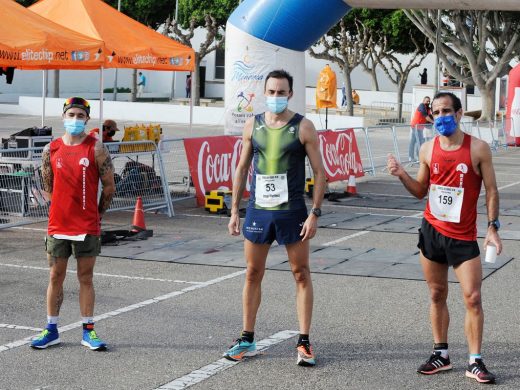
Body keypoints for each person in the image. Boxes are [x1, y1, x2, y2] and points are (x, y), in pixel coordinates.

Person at [387, 92, 501, 384]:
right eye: (436, 112)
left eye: (447, 111)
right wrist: (402, 174)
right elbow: (420, 191)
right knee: (437, 294)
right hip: (432, 232)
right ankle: (441, 354)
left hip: (463, 238)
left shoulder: (478, 149)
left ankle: (475, 361)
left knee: (473, 298)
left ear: (459, 113)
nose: (441, 117)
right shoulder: (427, 149)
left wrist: (492, 227)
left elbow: (491, 190)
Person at [223, 69, 326, 367]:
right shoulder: (252, 125)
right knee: (252, 273)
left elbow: (320, 173)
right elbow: (242, 169)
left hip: (292, 211)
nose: (276, 97)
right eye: (272, 92)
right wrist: (233, 210)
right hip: (258, 211)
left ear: (290, 93)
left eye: (282, 92)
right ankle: (248, 338)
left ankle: (304, 342)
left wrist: (315, 213)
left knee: (301, 274)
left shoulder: (303, 127)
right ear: (264, 93)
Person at [30, 97, 116, 351]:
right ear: (64, 117)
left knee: (85, 277)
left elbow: (109, 186)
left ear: (87, 119)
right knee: (55, 276)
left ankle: (88, 331)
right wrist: (59, 209)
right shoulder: (51, 149)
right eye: (72, 115)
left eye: (80, 116)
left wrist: (97, 214)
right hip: (58, 226)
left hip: (87, 226)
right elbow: (48, 187)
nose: (75, 120)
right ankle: (51, 329)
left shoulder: (97, 148)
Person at [409, 96, 434, 162]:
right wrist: (433, 122)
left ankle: (418, 156)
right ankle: (411, 157)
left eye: (429, 101)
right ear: (423, 101)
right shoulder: (421, 106)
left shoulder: (428, 108)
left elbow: (429, 117)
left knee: (420, 141)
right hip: (415, 126)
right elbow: (426, 117)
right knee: (415, 141)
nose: (428, 102)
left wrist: (430, 123)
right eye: (427, 101)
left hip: (420, 127)